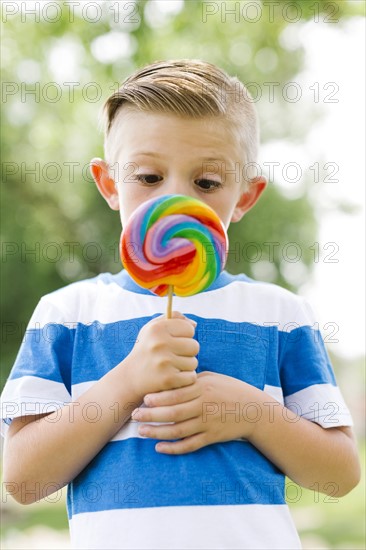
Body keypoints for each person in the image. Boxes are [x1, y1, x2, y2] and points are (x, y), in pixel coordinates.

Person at [1, 59, 360, 550]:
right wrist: (127, 381)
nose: (174, 198)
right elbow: (23, 480)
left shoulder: (279, 314)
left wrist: (254, 413)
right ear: (108, 183)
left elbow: (338, 475)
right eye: (148, 176)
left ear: (245, 197)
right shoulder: (67, 315)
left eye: (207, 183)